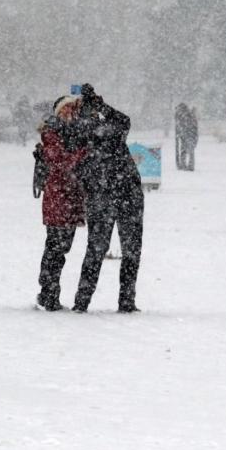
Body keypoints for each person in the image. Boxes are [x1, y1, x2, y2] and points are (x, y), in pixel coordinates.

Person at [72, 84, 144, 313]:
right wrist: (97, 108)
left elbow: (124, 121)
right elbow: (123, 122)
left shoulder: (103, 131)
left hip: (116, 195)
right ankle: (88, 300)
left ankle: (120, 300)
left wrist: (100, 107)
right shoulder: (87, 133)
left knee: (123, 250)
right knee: (101, 250)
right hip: (110, 195)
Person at [35, 96, 88, 311]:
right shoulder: (52, 133)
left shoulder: (74, 134)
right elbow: (62, 163)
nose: (71, 113)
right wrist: (84, 153)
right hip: (58, 199)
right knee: (55, 248)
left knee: (61, 248)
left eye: (74, 109)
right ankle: (48, 292)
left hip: (70, 200)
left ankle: (48, 291)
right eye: (67, 109)